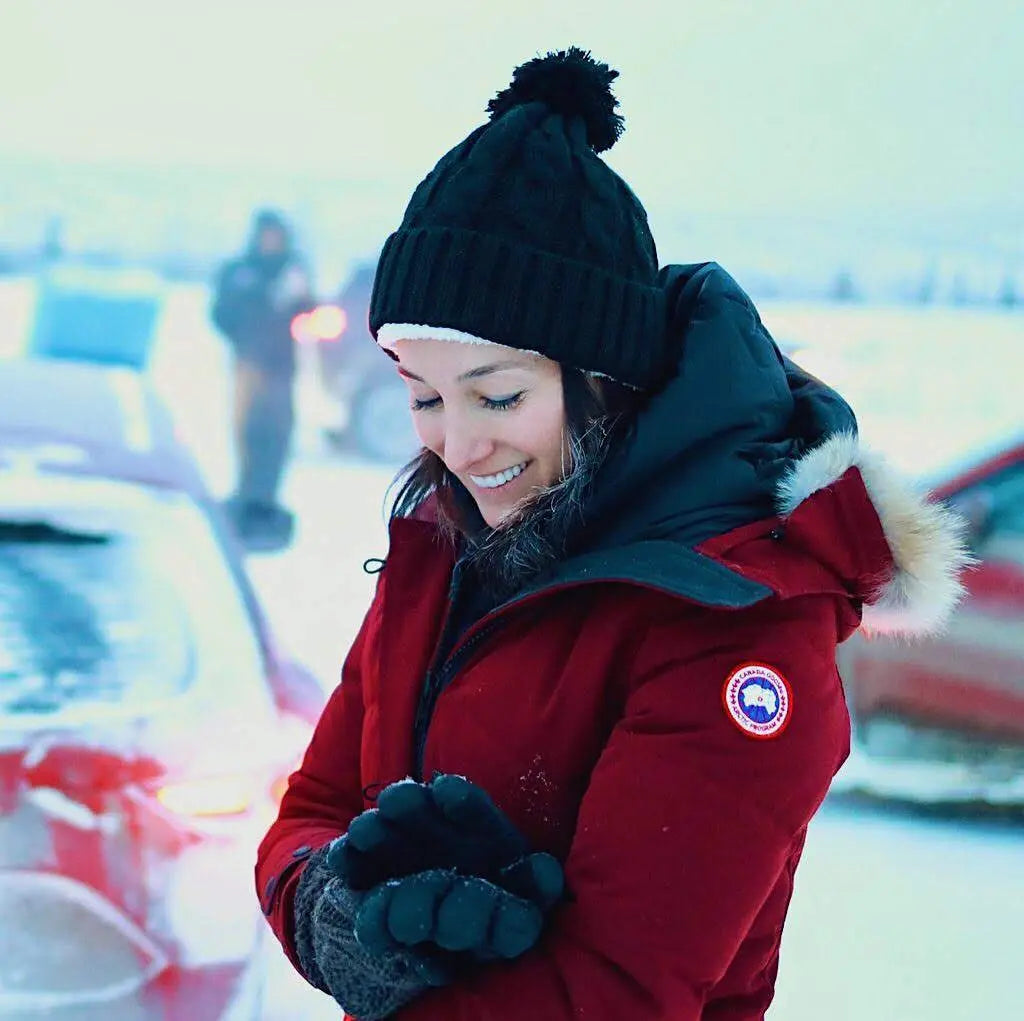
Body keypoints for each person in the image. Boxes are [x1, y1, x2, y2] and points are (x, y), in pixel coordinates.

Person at [256, 48, 970, 1019]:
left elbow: (617, 993)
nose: (458, 445)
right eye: (421, 395)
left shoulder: (736, 624)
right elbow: (310, 810)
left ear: (602, 381)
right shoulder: (445, 548)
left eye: (497, 393)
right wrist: (335, 918)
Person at [211, 209, 314, 549]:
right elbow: (220, 314)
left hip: (282, 367)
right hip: (248, 365)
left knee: (279, 434)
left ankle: (266, 500)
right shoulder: (240, 272)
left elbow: (310, 313)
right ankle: (245, 499)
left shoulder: (293, 270)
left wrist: (298, 302)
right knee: (247, 432)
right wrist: (255, 308)